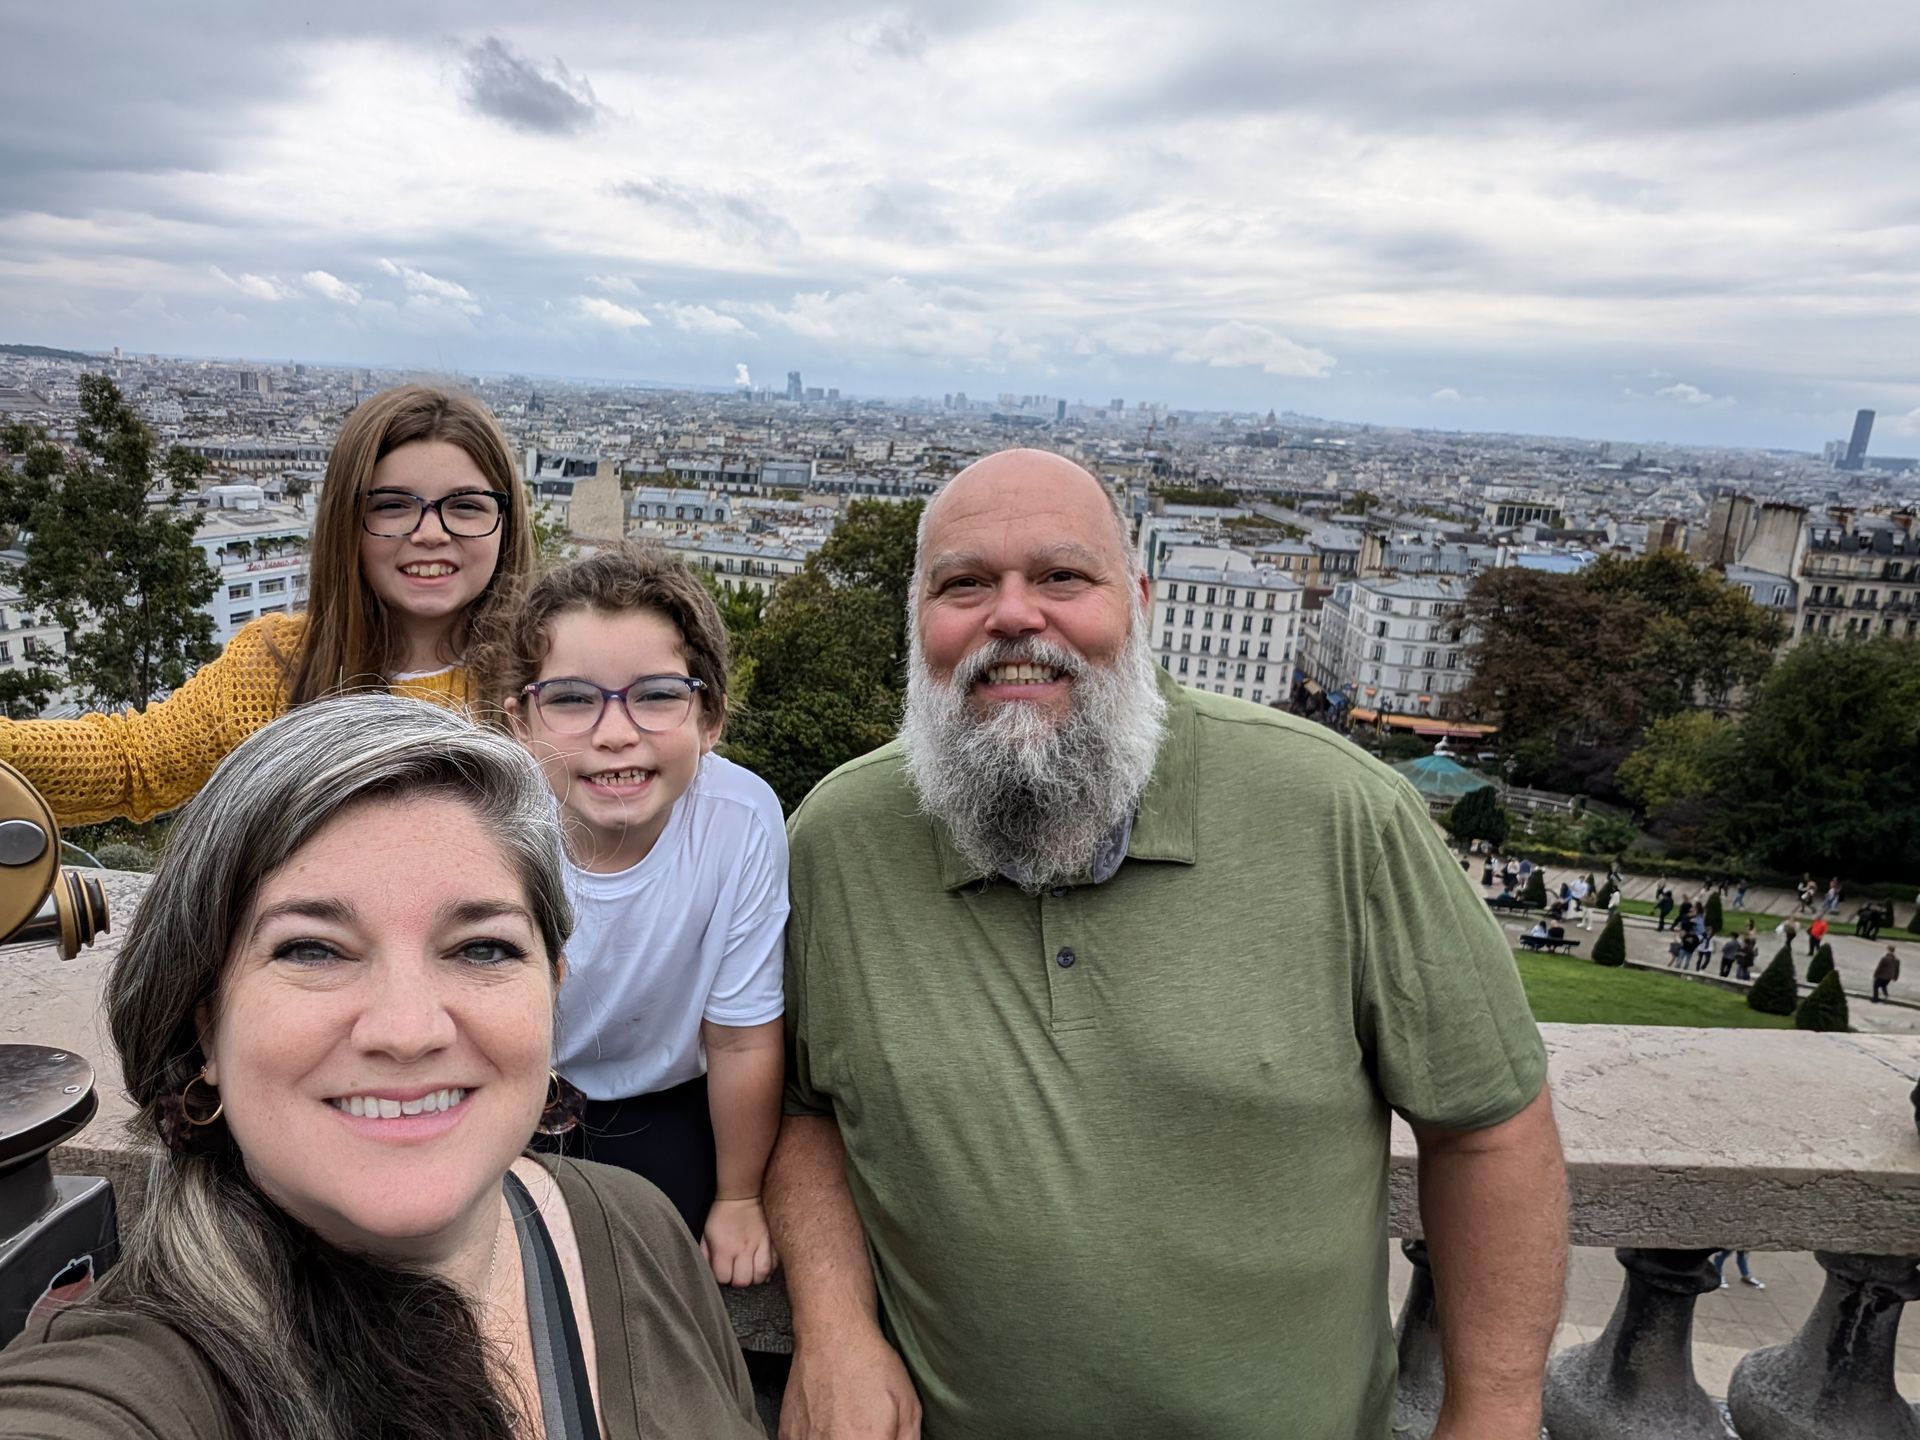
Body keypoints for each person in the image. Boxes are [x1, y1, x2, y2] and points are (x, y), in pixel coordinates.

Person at [766, 448, 1566, 1440]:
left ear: (1139, 602)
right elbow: (805, 1114)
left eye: (1063, 576)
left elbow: (1488, 1127)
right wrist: (836, 1327)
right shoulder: (837, 841)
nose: (1013, 616)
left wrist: (1491, 1413)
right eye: (964, 584)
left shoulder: (1339, 813)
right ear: (918, 621)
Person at [0, 695, 762, 1438]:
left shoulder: (634, 1226)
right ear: (206, 1024)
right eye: (311, 949)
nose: (407, 1030)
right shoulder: (127, 1386)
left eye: (481, 948)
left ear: (551, 993)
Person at [0, 385, 532, 826]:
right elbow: (134, 763)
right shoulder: (278, 667)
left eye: (465, 506)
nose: (430, 533)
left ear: (505, 522)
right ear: (347, 524)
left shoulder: (547, 672)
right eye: (393, 506)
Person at [477, 545, 787, 1286]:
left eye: (654, 695)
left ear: (709, 717)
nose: (615, 732)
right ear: (520, 720)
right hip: (513, 1086)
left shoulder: (740, 821)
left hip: (665, 1100)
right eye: (574, 699)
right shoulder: (491, 822)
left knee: (649, 1276)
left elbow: (742, 1039)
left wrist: (740, 1195)